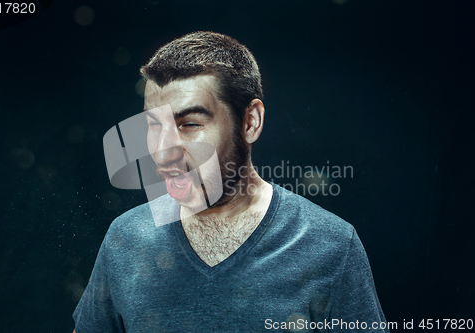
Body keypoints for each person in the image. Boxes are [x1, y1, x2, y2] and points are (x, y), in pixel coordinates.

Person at [72, 31, 389, 332]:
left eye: (190, 124)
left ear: (251, 122)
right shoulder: (127, 239)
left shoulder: (330, 246)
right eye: (155, 126)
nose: (162, 152)